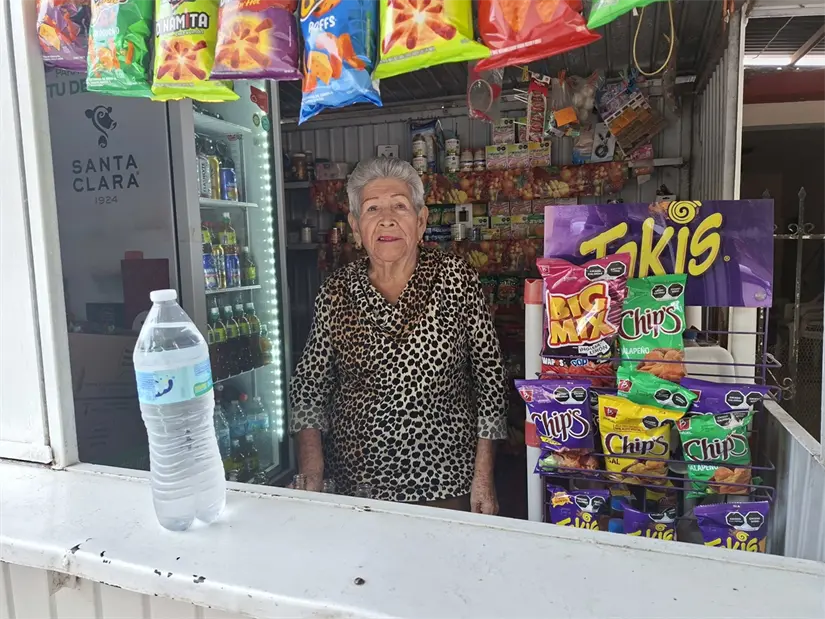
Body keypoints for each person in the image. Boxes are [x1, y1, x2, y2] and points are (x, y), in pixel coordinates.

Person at [289, 157, 508, 513]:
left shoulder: (457, 280)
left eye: (400, 207)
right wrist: (311, 473)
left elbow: (491, 380)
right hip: (356, 485)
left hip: (445, 481)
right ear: (356, 226)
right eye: (373, 208)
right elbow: (309, 387)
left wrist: (483, 477)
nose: (387, 218)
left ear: (421, 222)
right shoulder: (336, 291)